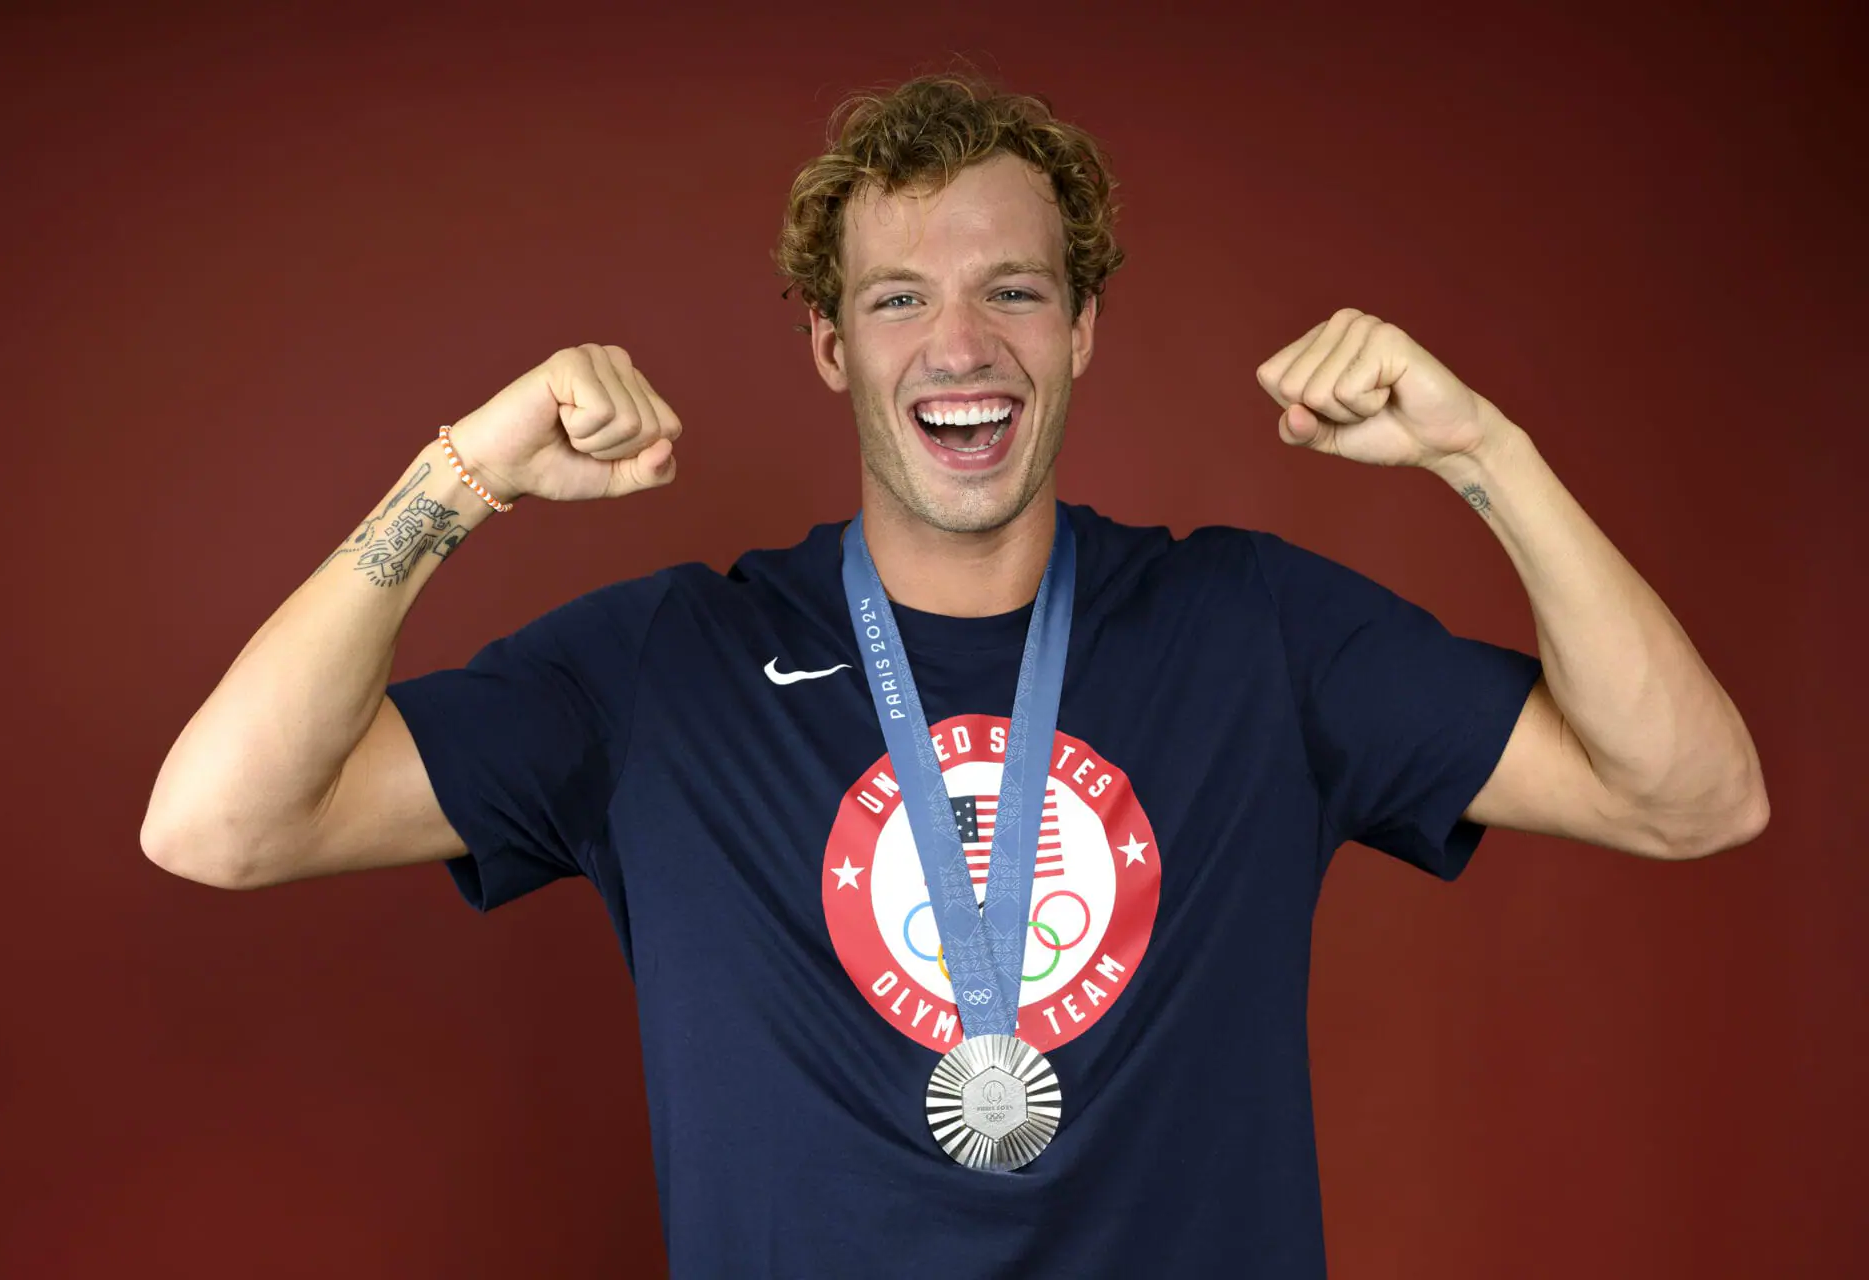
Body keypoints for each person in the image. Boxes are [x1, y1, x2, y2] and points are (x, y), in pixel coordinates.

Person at [140, 72, 1768, 1278]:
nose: (962, 345)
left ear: (1081, 333)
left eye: (1016, 291)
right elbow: (217, 824)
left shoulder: (1251, 631)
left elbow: (1692, 798)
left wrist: (1490, 456)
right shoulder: (664, 667)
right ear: (831, 347)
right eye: (900, 298)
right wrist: (457, 480)